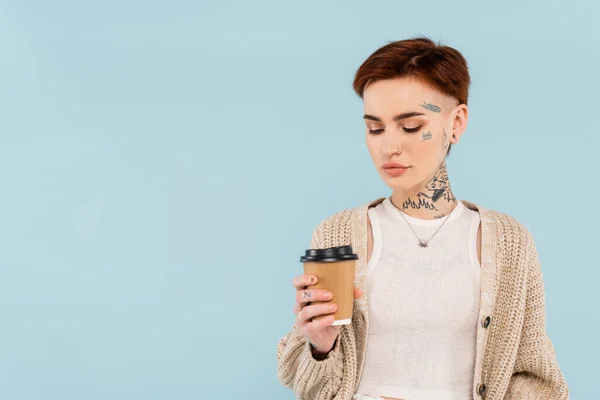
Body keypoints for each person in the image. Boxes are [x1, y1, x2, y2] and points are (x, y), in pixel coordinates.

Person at [275, 37, 569, 400]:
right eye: (375, 128)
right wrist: (320, 345)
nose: (389, 147)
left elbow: (536, 376)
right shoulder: (339, 234)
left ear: (456, 123)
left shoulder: (510, 242)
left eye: (410, 126)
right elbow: (311, 388)